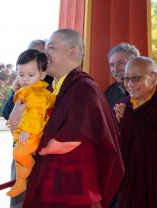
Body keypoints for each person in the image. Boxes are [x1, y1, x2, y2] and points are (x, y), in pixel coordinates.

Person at [22, 29, 124, 208]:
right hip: (55, 186)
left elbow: (64, 140)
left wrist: (33, 145)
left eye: (51, 48)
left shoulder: (84, 89)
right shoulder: (55, 89)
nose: (45, 53)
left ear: (73, 52)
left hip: (75, 191)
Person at [6, 49, 55, 197]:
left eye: (30, 75)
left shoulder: (37, 93)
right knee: (18, 160)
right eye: (21, 75)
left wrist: (27, 130)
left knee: (18, 153)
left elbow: (35, 113)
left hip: (34, 133)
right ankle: (20, 183)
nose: (25, 79)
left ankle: (29, 165)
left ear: (42, 75)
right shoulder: (26, 90)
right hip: (25, 133)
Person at [113, 56, 157, 208]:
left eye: (136, 78)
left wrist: (130, 121)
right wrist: (118, 125)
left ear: (152, 78)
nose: (130, 84)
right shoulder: (123, 105)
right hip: (129, 183)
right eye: (127, 79)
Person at [105, 43, 140, 109]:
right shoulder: (110, 91)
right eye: (112, 64)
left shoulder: (147, 90)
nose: (115, 69)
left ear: (135, 63)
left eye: (120, 63)